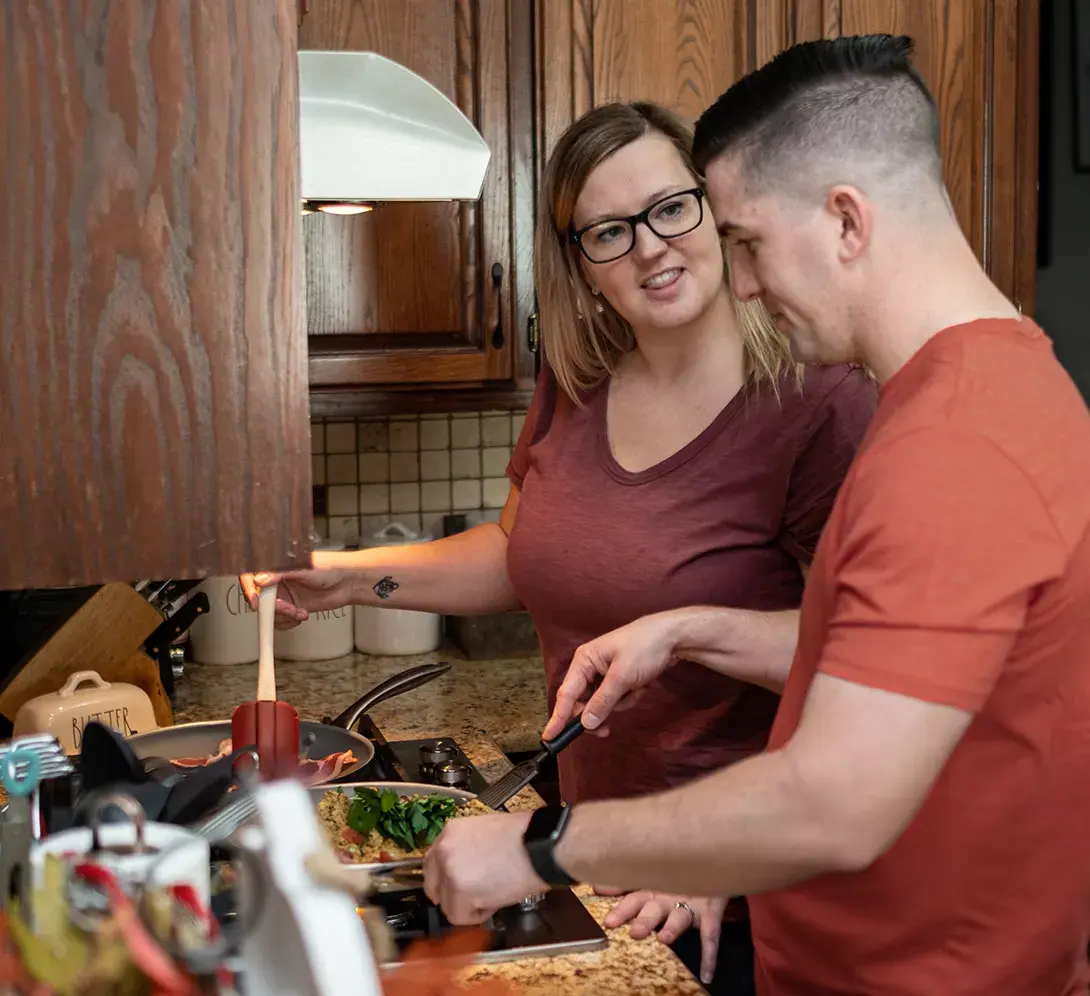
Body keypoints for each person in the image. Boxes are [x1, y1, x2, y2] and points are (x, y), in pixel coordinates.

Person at [421, 34, 1090, 996]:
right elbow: (867, 682)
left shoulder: (955, 448)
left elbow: (832, 804)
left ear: (846, 222)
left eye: (743, 242)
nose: (737, 283)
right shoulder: (989, 388)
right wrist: (692, 627)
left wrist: (540, 844)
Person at [245, 101, 876, 992]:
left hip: (741, 893)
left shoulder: (815, 402)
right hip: (593, 851)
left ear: (715, 207)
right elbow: (518, 553)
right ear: (578, 266)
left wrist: (715, 857)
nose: (651, 247)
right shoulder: (576, 383)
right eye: (609, 232)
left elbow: (863, 664)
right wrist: (345, 578)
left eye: (670, 207)